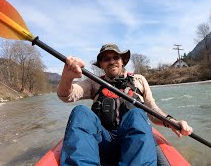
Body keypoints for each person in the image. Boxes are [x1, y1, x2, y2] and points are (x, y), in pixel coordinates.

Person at [57, 44, 193, 166]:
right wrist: (67, 77)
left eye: (115, 57)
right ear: (101, 65)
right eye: (106, 59)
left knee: (137, 114)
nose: (111, 61)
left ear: (122, 61)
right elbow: (66, 95)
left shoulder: (139, 80)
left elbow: (152, 109)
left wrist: (172, 121)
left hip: (133, 141)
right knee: (80, 112)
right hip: (103, 141)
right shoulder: (94, 82)